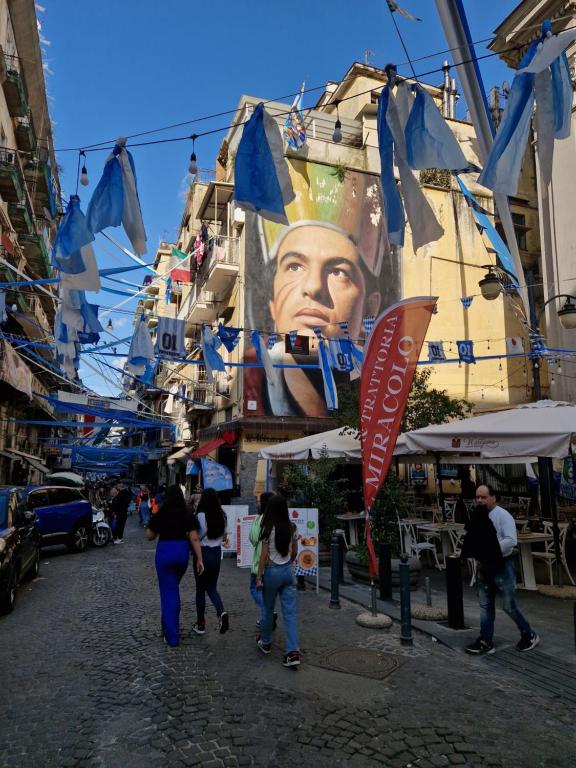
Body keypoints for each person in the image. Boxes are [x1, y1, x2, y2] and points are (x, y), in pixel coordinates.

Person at [243, 161, 395, 418]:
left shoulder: (383, 387)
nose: (313, 288)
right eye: (294, 267)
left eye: (338, 272)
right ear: (271, 302)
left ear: (370, 306)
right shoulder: (252, 377)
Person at [462, 484, 539, 655]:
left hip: (503, 565)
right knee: (485, 605)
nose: (480, 500)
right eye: (478, 497)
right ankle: (485, 640)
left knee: (508, 605)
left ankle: (529, 634)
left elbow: (511, 540)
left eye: (484, 497)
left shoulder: (503, 516)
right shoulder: (477, 516)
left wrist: (490, 550)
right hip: (485, 566)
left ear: (493, 497)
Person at [146, 485, 204, 647]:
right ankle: (167, 623)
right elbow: (194, 539)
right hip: (181, 553)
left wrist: (153, 522)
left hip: (165, 552)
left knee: (168, 592)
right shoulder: (187, 513)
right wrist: (199, 559)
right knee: (172, 588)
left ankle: (172, 636)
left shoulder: (161, 513)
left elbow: (149, 536)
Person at [256, 493, 300, 667]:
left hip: (272, 571)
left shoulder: (267, 528)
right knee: (290, 614)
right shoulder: (291, 527)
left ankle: (265, 642)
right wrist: (290, 560)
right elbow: (295, 550)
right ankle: (293, 652)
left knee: (267, 609)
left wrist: (259, 577)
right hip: (288, 571)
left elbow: (263, 555)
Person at [192, 488, 229, 635]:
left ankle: (201, 623)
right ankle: (221, 611)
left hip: (203, 553)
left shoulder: (200, 516)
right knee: (212, 588)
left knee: (200, 589)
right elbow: (225, 536)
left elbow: (196, 537)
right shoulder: (222, 515)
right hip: (216, 553)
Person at [248, 491, 274, 625]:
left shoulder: (259, 519)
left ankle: (268, 612)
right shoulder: (277, 519)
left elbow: (252, 538)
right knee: (267, 593)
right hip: (275, 563)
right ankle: (265, 619)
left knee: (254, 589)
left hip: (259, 561)